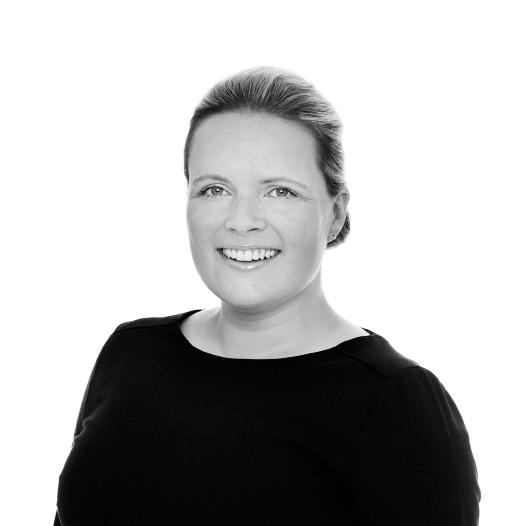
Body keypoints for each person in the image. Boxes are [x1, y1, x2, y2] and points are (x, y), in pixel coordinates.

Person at [52, 66, 481, 525]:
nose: (242, 221)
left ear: (336, 214)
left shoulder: (396, 402)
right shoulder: (130, 352)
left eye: (280, 191)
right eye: (214, 189)